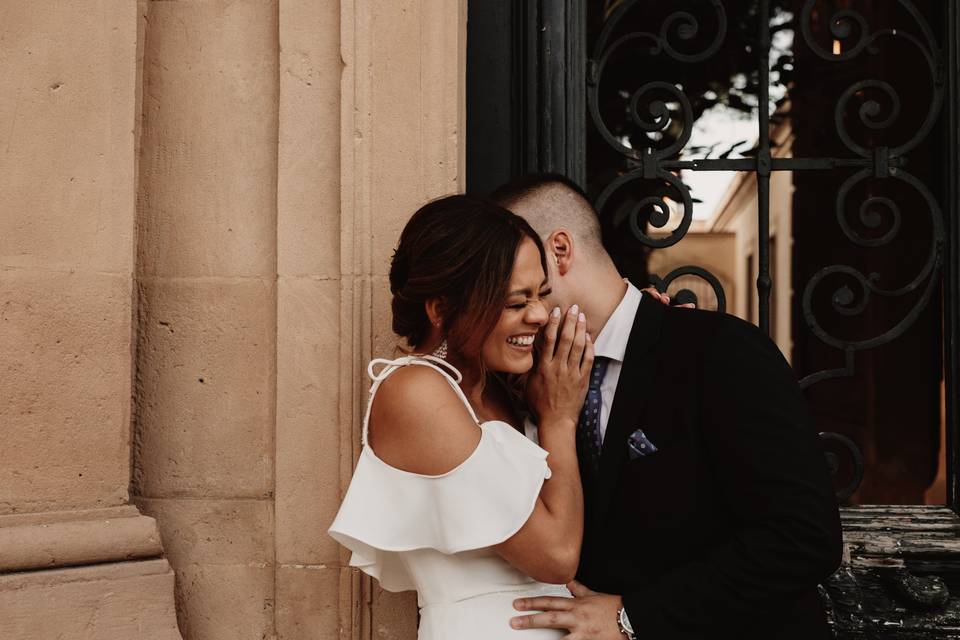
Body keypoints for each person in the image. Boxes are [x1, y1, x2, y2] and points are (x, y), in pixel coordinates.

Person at [491, 174, 844, 640]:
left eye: (501, 267)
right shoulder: (519, 377)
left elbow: (804, 538)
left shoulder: (719, 351)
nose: (495, 290)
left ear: (558, 251)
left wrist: (632, 616)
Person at [328, 194, 595, 639]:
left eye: (541, 295)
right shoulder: (414, 392)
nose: (537, 315)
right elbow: (557, 555)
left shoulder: (499, 387)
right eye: (514, 303)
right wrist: (559, 421)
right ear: (441, 309)